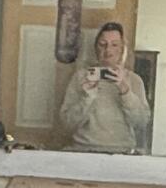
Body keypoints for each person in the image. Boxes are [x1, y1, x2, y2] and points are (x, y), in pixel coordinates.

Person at [53, 20, 151, 153]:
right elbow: (67, 124)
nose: (108, 50)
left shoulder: (134, 80)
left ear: (122, 49)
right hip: (83, 150)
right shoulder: (81, 78)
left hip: (121, 152)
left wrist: (125, 91)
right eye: (102, 44)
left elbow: (141, 123)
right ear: (95, 48)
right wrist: (87, 97)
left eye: (114, 45)